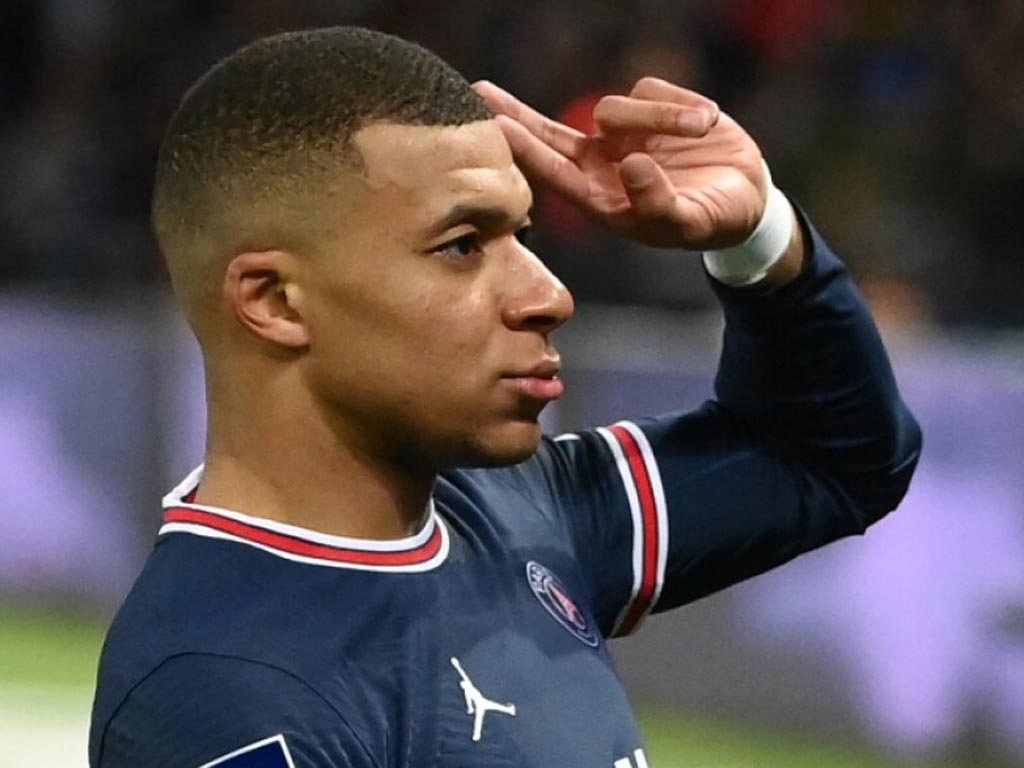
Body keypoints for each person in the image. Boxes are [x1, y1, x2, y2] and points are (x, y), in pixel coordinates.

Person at [89, 26, 921, 768]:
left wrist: (758, 236)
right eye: (462, 246)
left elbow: (830, 460)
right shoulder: (223, 696)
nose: (548, 294)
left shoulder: (518, 510)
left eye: (521, 235)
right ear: (274, 301)